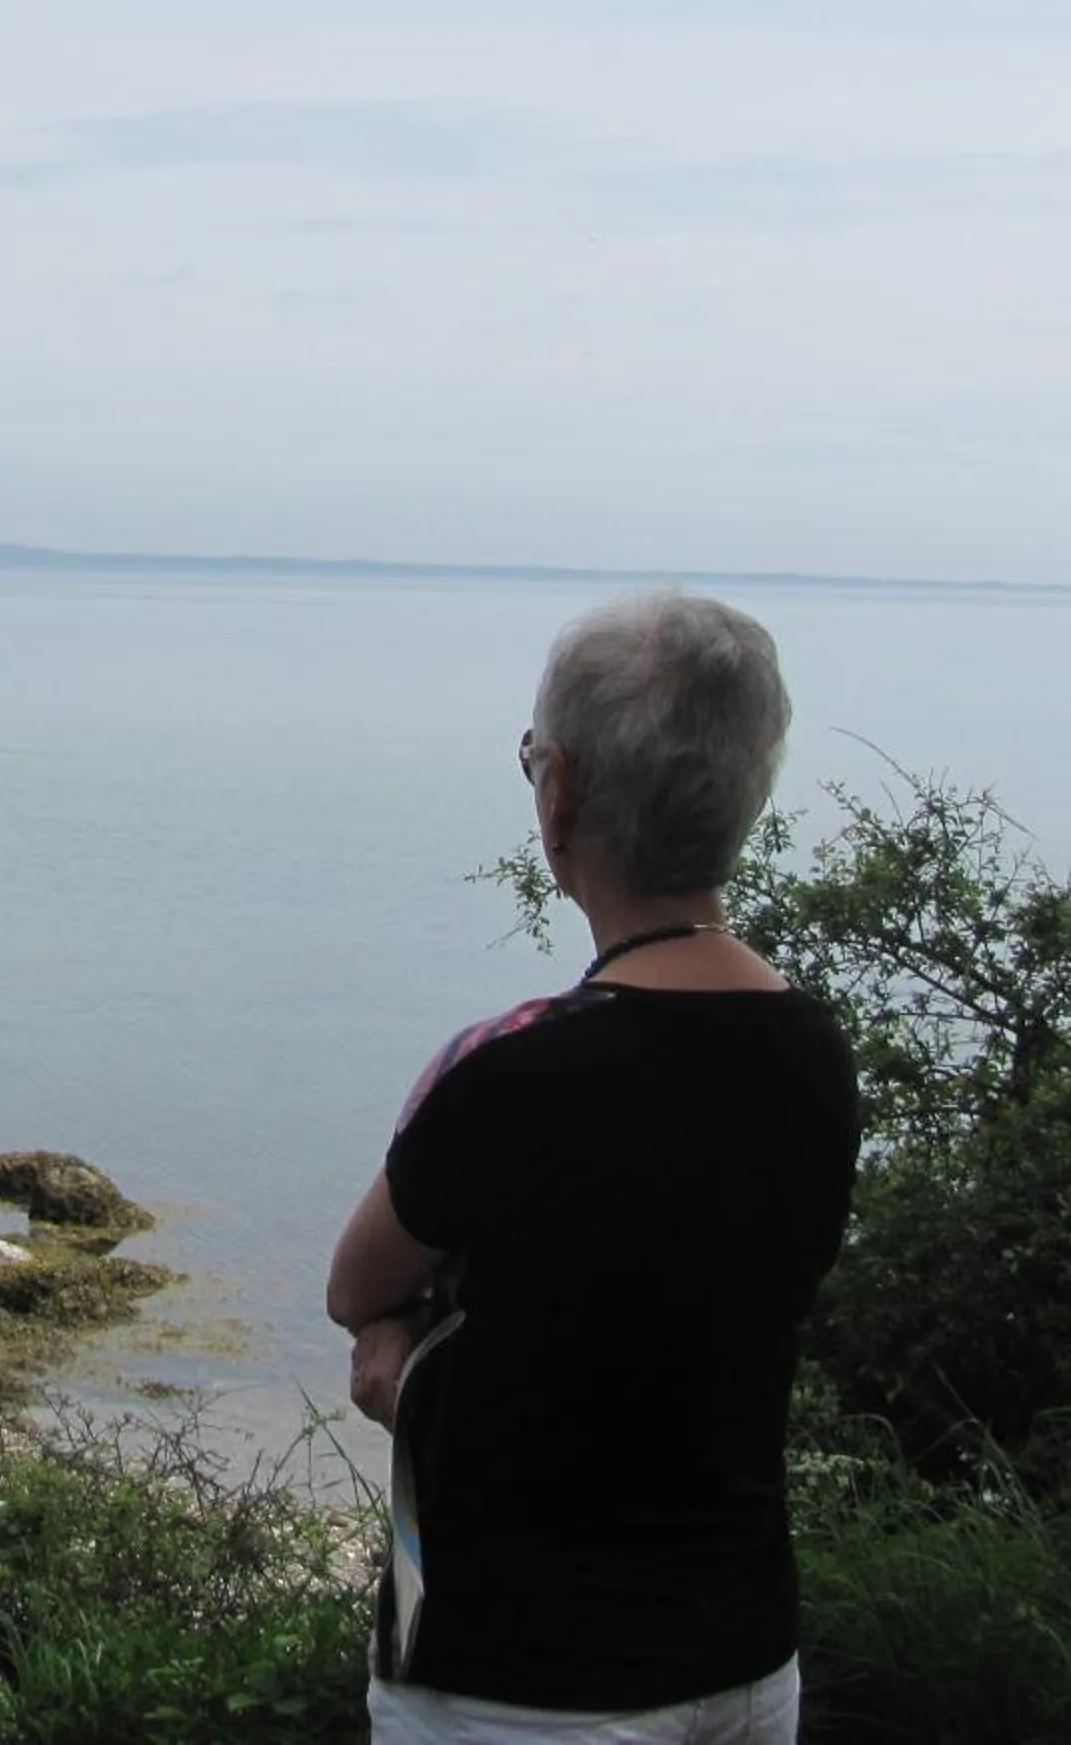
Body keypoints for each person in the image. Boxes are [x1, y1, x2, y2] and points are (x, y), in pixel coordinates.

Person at [326, 591, 859, 1745]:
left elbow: (355, 1291)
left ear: (559, 791)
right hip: (747, 1659)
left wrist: (417, 1379)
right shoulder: (817, 1056)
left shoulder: (510, 1073)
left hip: (522, 1681)